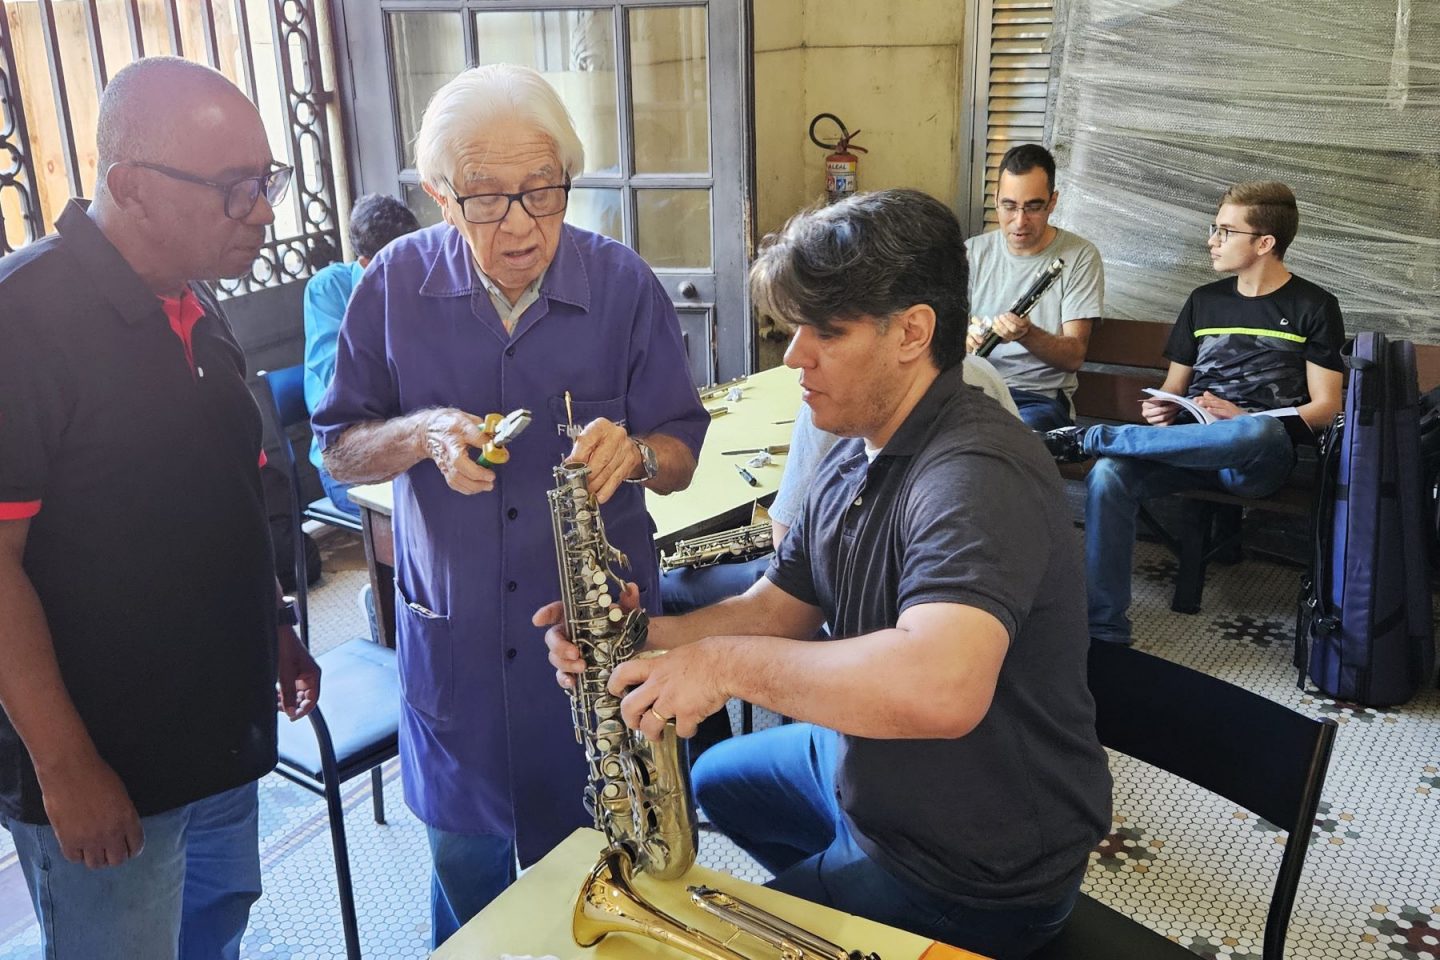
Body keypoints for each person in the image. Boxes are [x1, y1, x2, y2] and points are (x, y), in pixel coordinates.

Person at [540, 189, 1112, 960]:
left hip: (975, 862)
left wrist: (722, 666)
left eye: (826, 332)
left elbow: (940, 687)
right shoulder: (855, 446)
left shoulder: (978, 471)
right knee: (719, 780)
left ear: (913, 332)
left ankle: (859, 909)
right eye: (795, 325)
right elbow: (778, 609)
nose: (793, 355)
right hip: (867, 769)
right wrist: (639, 637)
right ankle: (839, 883)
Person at [310, 64, 708, 947]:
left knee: (614, 870)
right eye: (486, 197)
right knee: (468, 881)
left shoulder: (624, 284)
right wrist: (422, 435)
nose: (523, 223)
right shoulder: (390, 288)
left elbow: (682, 454)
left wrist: (639, 453)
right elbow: (336, 445)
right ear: (439, 196)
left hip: (597, 645)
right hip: (456, 647)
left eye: (544, 188)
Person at [0, 57, 320, 960]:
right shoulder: (25, 320)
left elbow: (213, 492)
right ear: (129, 186)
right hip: (111, 756)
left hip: (217, 727)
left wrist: (276, 628)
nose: (263, 210)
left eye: (268, 181)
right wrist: (66, 768)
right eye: (236, 188)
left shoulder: (191, 300)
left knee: (212, 927)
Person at [1042, 181, 1345, 646]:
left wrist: (1244, 416)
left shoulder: (1315, 306)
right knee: (1106, 476)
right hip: (1187, 448)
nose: (1212, 240)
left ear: (1265, 243)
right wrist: (1163, 406)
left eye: (1226, 231)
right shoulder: (1204, 301)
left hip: (1256, 460)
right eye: (1215, 228)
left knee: (1257, 431)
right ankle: (1105, 630)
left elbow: (1327, 408)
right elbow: (1173, 386)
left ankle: (1096, 436)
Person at [965, 143, 1105, 430]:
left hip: (1037, 400)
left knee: (1001, 438)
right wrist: (961, 340)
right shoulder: (972, 253)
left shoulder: (1079, 256)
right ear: (995, 199)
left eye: (1033, 207)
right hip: (972, 389)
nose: (1019, 221)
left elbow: (1074, 356)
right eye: (1009, 206)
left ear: (1052, 203)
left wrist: (1026, 334)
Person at [303, 194, 421, 516]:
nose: (414, 271)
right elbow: (336, 381)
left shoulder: (418, 279)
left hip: (407, 445)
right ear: (367, 264)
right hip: (347, 461)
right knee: (414, 513)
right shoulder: (328, 290)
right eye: (399, 262)